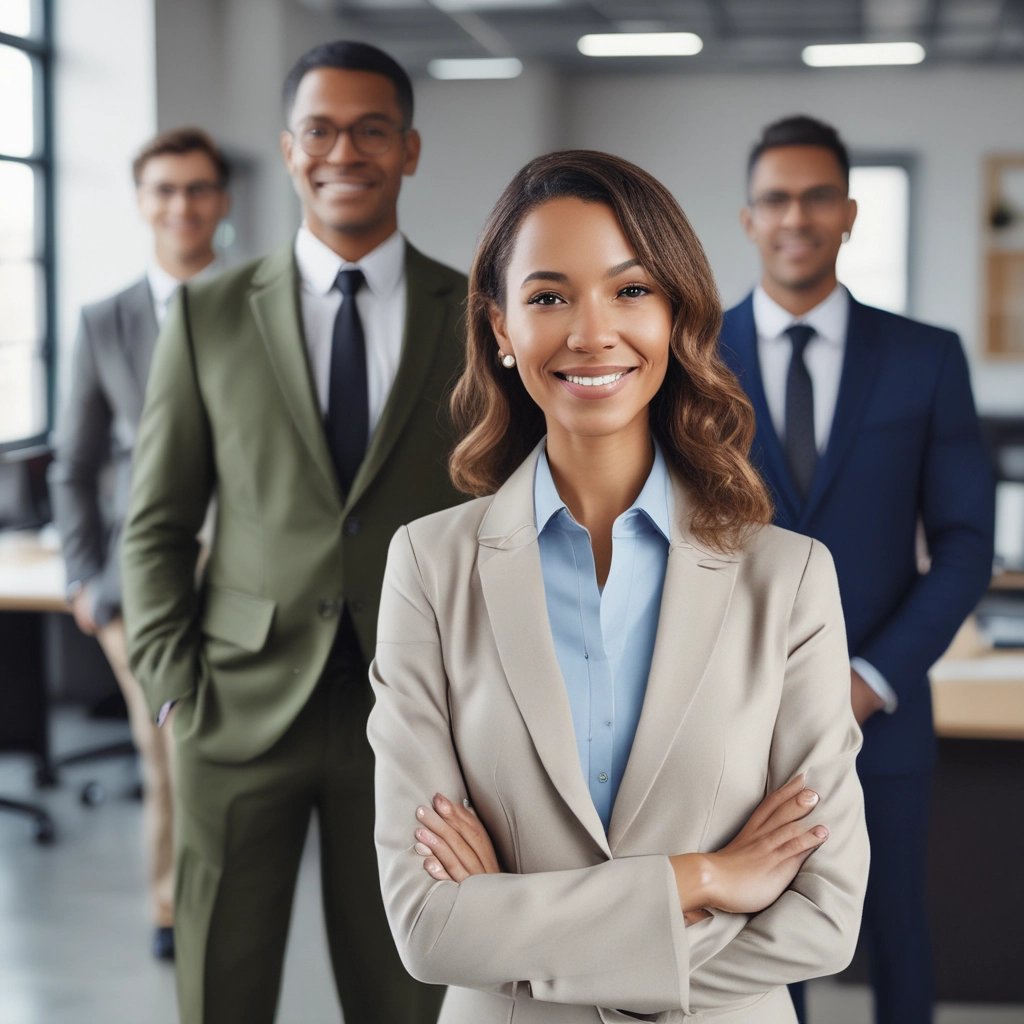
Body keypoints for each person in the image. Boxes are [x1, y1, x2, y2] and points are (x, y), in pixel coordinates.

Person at [367, 149, 870, 1024]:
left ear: (677, 314)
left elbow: (824, 919)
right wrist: (702, 879)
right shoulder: (427, 567)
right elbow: (428, 924)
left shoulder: (789, 579)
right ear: (497, 327)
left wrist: (523, 933)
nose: (591, 332)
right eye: (549, 296)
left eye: (631, 290)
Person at [121, 41, 465, 1024]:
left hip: (414, 712)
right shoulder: (208, 315)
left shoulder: (476, 312)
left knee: (405, 990)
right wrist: (169, 682)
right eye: (319, 129)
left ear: (409, 148)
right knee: (219, 990)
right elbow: (154, 524)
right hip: (234, 707)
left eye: (369, 129)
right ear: (287, 148)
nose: (342, 150)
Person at [719, 115, 995, 1024]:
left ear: (848, 212)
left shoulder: (925, 357)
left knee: (897, 934)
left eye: (815, 197)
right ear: (749, 217)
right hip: (734, 721)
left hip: (884, 719)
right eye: (775, 199)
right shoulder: (694, 360)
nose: (795, 216)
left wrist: (868, 680)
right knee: (759, 941)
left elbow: (964, 542)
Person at [49, 127, 231, 961]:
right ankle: (171, 908)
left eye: (197, 189)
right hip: (140, 578)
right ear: (141, 203)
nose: (182, 206)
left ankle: (228, 898)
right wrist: (85, 576)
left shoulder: (257, 304)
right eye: (165, 190)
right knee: (164, 747)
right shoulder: (104, 321)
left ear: (221, 202)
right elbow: (75, 464)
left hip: (242, 571)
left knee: (228, 751)